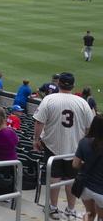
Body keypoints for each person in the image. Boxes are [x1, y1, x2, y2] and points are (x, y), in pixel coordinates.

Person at [33, 72, 95, 219]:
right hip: (75, 148)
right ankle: (71, 209)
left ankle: (53, 208)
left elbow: (39, 121)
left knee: (54, 177)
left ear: (58, 83)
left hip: (51, 144)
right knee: (71, 179)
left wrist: (36, 140)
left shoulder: (49, 99)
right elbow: (89, 129)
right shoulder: (82, 102)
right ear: (73, 85)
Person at [72, 115, 103, 221]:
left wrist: (86, 166)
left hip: (85, 188)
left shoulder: (84, 142)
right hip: (101, 191)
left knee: (89, 213)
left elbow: (75, 164)